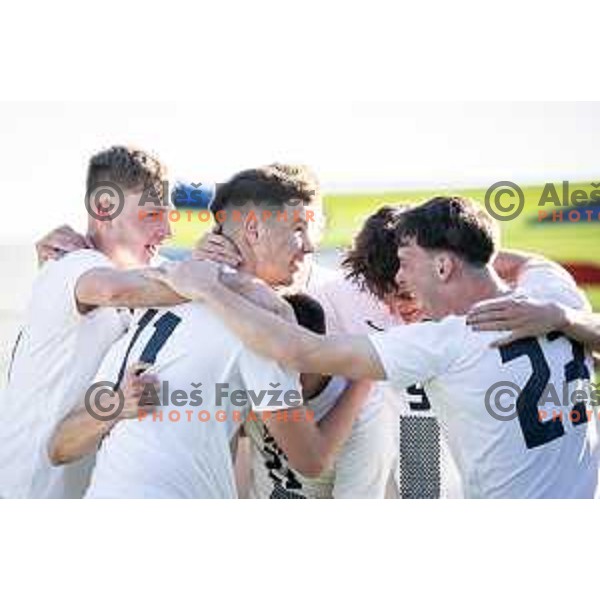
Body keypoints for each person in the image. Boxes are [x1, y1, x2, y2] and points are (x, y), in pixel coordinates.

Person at [152, 196, 599, 498]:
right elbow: (508, 259)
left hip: (451, 472)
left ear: (443, 266)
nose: (405, 292)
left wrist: (207, 286)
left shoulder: (442, 339)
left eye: (409, 267)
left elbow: (296, 348)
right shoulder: (550, 287)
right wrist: (566, 317)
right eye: (395, 286)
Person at [49, 165, 370, 498]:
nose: (309, 246)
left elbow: (59, 445)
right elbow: (311, 459)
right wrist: (365, 379)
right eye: (298, 228)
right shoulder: (259, 322)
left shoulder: (156, 296)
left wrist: (116, 406)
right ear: (254, 230)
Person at [0, 146, 187, 498]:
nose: (167, 231)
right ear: (104, 208)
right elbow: (115, 291)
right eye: (152, 215)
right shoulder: (73, 263)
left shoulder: (120, 275)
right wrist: (212, 283)